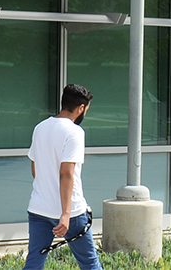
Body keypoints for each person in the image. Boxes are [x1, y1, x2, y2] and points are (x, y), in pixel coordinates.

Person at [25, 84, 100, 270]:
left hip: (39, 209)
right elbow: (66, 173)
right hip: (71, 213)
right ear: (81, 108)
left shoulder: (40, 128)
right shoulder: (74, 132)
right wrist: (65, 214)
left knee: (34, 262)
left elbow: (35, 170)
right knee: (90, 264)